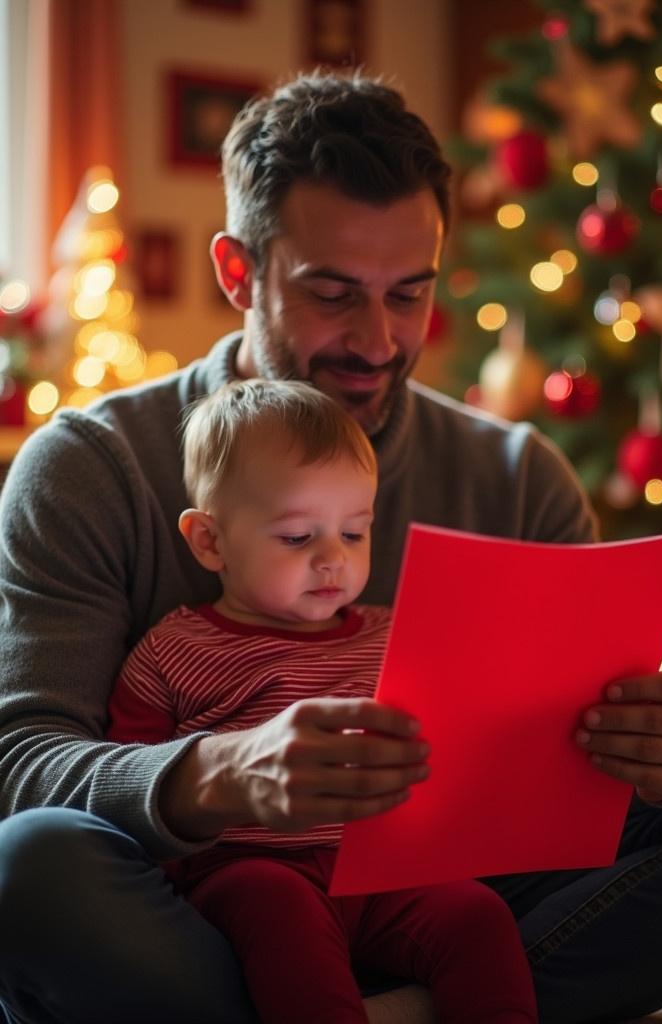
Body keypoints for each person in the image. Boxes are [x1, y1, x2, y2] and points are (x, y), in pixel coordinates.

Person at [0, 70, 662, 1024]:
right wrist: (217, 773)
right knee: (31, 864)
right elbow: (20, 761)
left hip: (449, 895)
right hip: (214, 904)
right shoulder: (90, 467)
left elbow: (581, 778)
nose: (379, 339)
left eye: (410, 294)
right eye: (333, 294)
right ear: (238, 273)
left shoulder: (518, 478)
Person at [105, 376, 538, 1024]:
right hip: (253, 868)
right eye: (298, 537)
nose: (333, 560)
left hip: (386, 870)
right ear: (209, 541)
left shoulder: (394, 634)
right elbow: (130, 784)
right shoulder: (174, 649)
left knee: (477, 915)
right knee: (276, 910)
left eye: (355, 533)